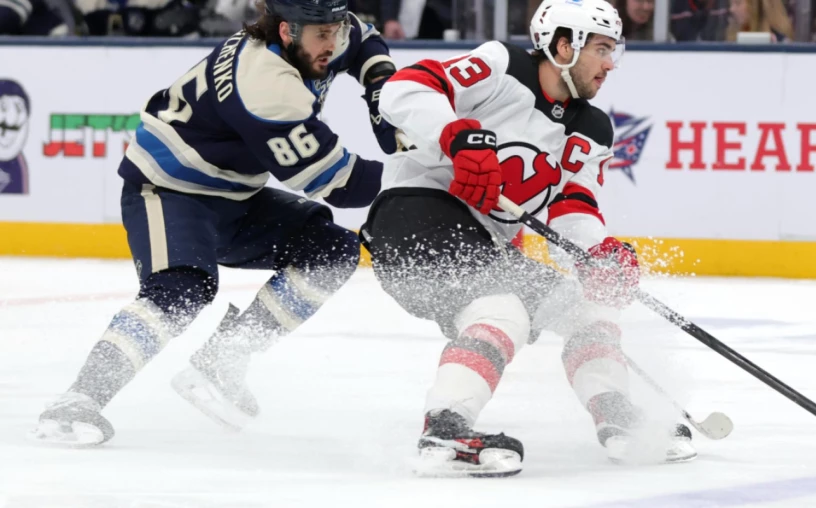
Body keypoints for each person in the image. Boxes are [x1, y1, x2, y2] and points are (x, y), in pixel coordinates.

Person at [29, 0, 398, 446]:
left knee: (331, 250)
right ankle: (77, 400)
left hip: (234, 196)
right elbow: (340, 184)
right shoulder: (265, 85)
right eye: (322, 34)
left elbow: (364, 38)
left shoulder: (315, 34)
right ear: (286, 31)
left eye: (335, 29)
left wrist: (380, 83)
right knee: (181, 288)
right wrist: (425, 177)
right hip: (168, 191)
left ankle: (223, 360)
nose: (333, 43)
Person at [362, 0, 695, 477]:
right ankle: (445, 429)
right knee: (501, 308)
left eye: (613, 51)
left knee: (586, 309)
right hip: (413, 216)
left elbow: (571, 207)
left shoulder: (592, 128)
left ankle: (618, 417)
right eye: (600, 49)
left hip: (484, 244)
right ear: (564, 46)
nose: (610, 63)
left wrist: (596, 253)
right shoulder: (501, 66)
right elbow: (403, 88)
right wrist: (454, 135)